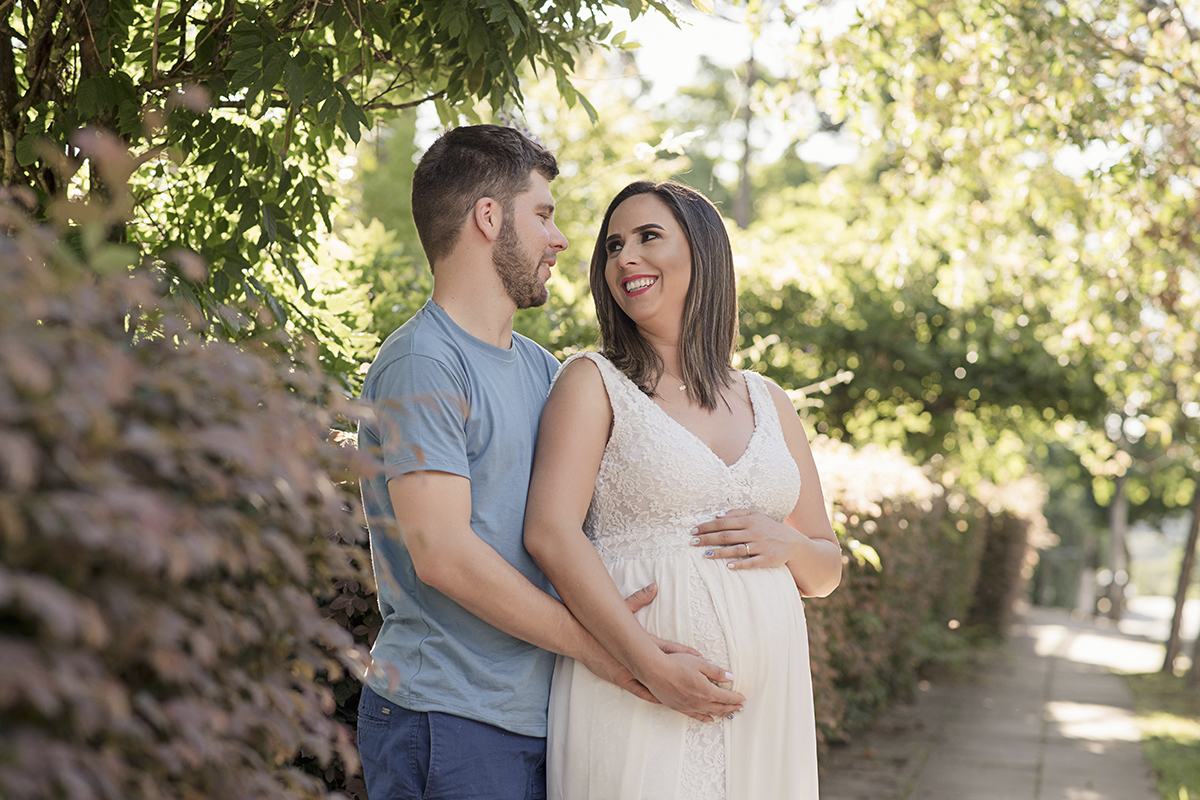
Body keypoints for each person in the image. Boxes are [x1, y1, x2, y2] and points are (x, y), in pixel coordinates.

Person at [356, 128, 744, 800]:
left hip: (544, 716)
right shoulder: (424, 362)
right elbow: (443, 555)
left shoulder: (544, 371)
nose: (561, 239)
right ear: (487, 218)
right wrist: (617, 653)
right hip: (449, 716)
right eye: (543, 214)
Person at [524, 180, 843, 799]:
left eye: (648, 237)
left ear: (704, 254)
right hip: (636, 691)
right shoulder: (593, 383)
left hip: (765, 709)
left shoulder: (769, 400)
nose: (625, 258)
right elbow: (550, 533)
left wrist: (787, 543)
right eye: (613, 246)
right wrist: (647, 665)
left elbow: (825, 568)